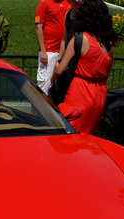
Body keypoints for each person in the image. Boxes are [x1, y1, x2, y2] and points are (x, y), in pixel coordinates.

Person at [51, 0, 118, 134]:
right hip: (99, 94)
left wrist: (52, 80)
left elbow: (59, 69)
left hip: (80, 91)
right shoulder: (110, 44)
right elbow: (107, 73)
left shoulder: (80, 39)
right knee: (90, 134)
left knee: (72, 131)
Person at [35, 0, 69, 95]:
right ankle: (39, 109)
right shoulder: (44, 2)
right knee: (44, 84)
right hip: (50, 50)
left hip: (66, 51)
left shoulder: (69, 2)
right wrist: (43, 51)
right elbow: (38, 27)